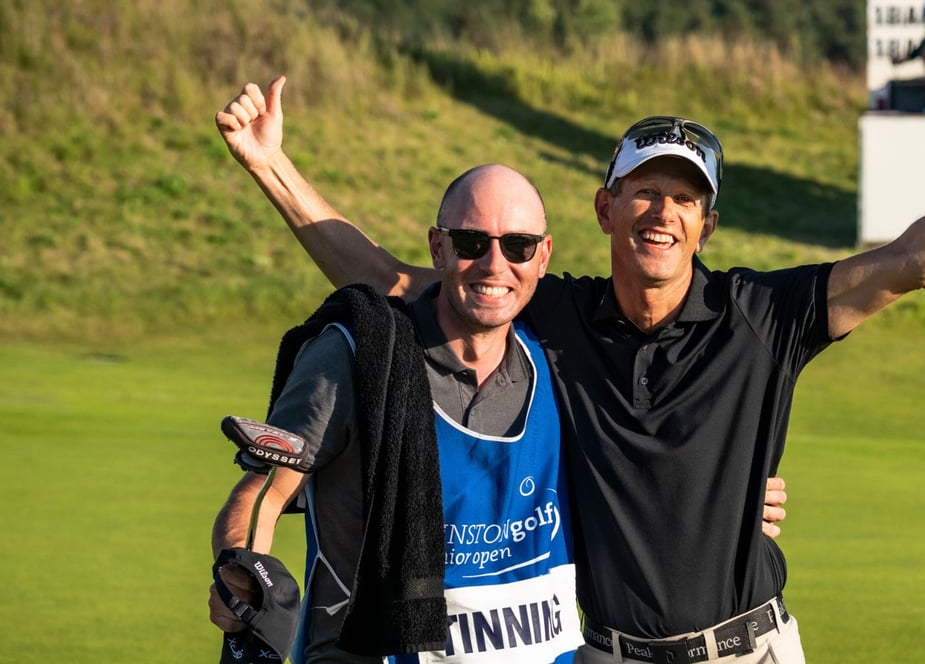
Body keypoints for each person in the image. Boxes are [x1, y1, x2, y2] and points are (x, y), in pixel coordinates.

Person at [220, 58, 925, 663]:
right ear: (606, 208)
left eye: (685, 198)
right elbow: (396, 278)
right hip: (604, 652)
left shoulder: (762, 316)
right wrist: (273, 165)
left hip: (746, 647)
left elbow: (917, 261)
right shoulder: (548, 311)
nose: (662, 212)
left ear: (706, 224)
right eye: (645, 190)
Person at [208, 91, 790, 664]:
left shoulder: (560, 356)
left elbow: (640, 465)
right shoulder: (364, 355)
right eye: (470, 243)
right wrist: (242, 574)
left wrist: (725, 495)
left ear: (541, 257)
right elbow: (264, 487)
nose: (494, 266)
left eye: (516, 246)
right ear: (438, 247)